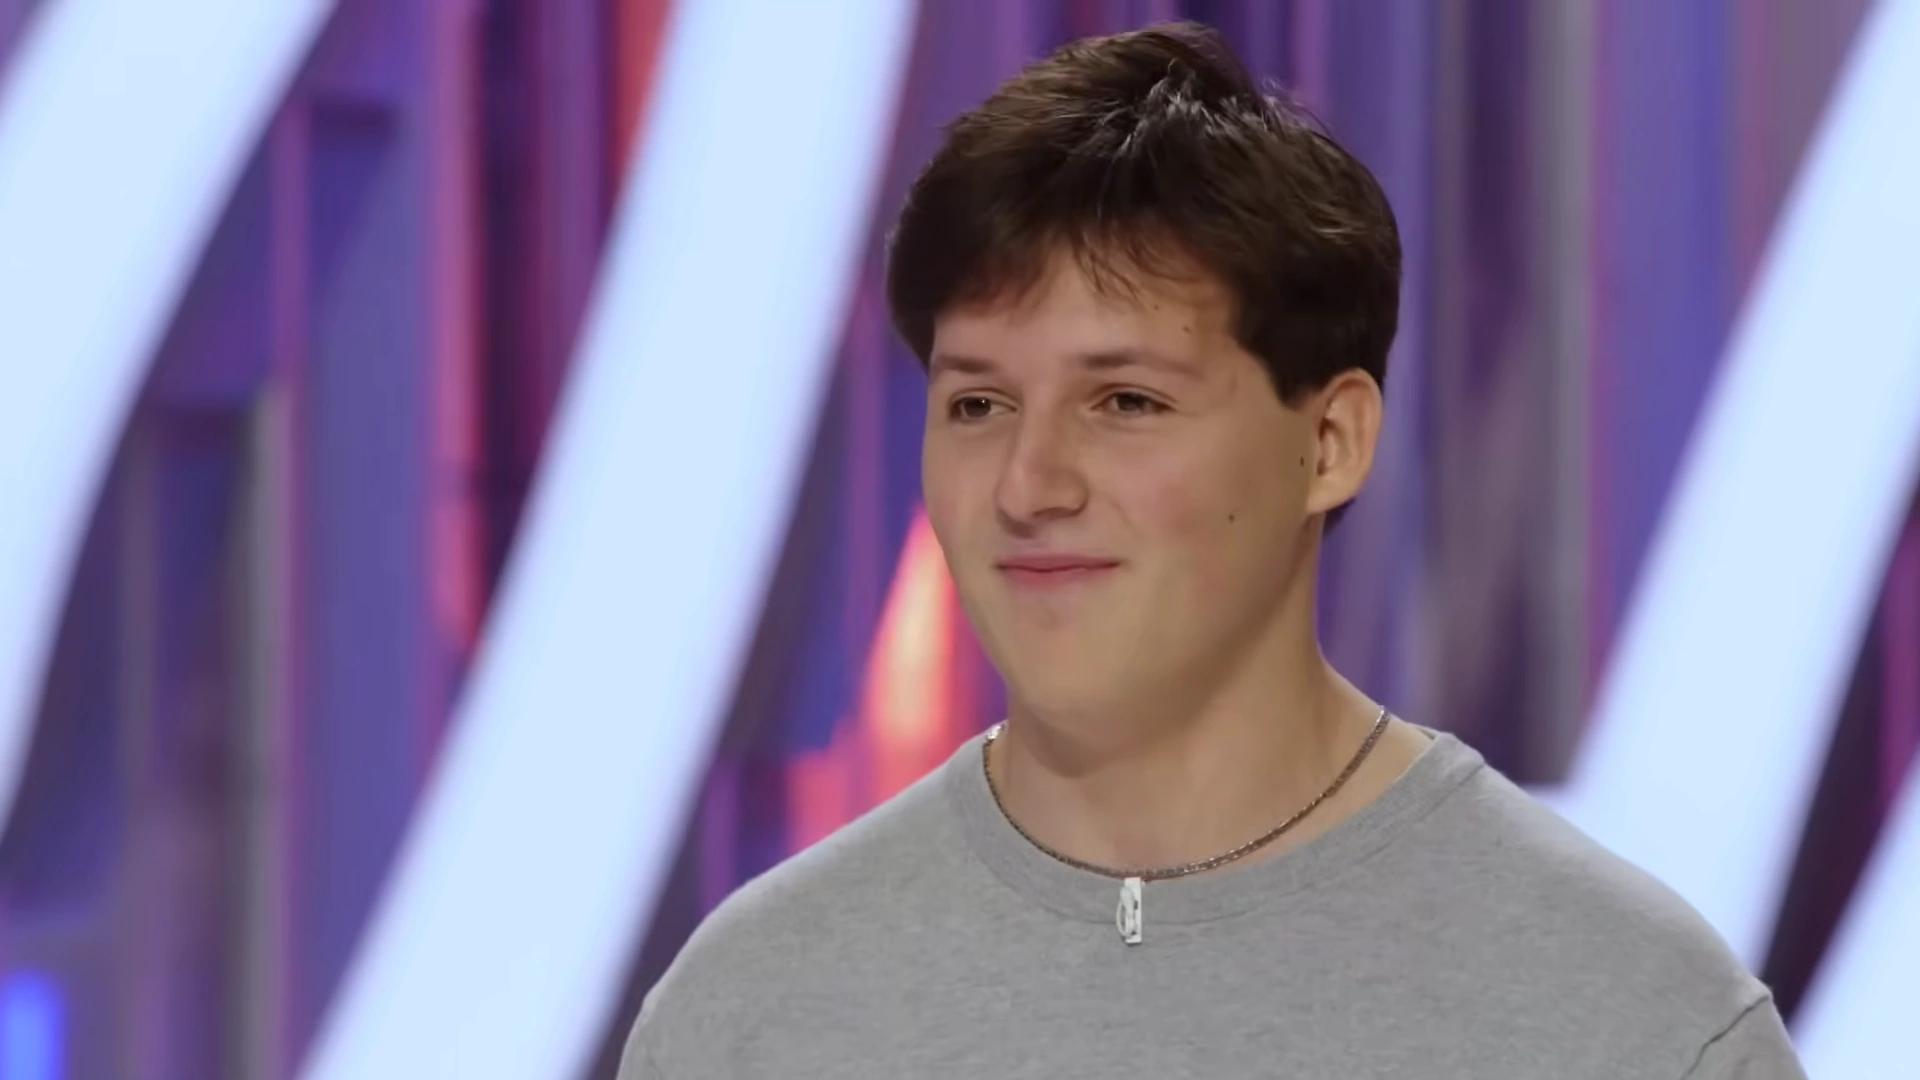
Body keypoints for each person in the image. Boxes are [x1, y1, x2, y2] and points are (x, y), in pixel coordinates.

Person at [620, 21, 1805, 1079]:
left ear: (1331, 442)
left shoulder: (1633, 1022)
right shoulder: (752, 1014)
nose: (1029, 487)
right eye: (978, 405)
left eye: (1126, 402)